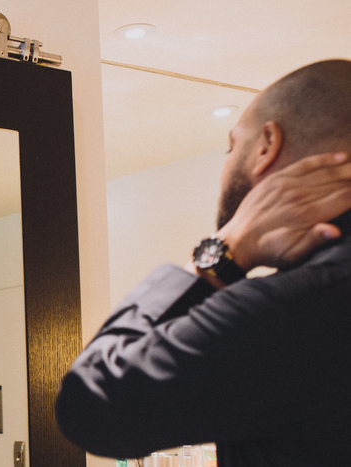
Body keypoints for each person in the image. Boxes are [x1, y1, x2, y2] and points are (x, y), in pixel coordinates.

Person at [55, 59, 351, 466]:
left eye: (232, 146)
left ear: (266, 146)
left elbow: (91, 405)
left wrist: (223, 250)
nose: (226, 163)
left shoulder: (294, 306)